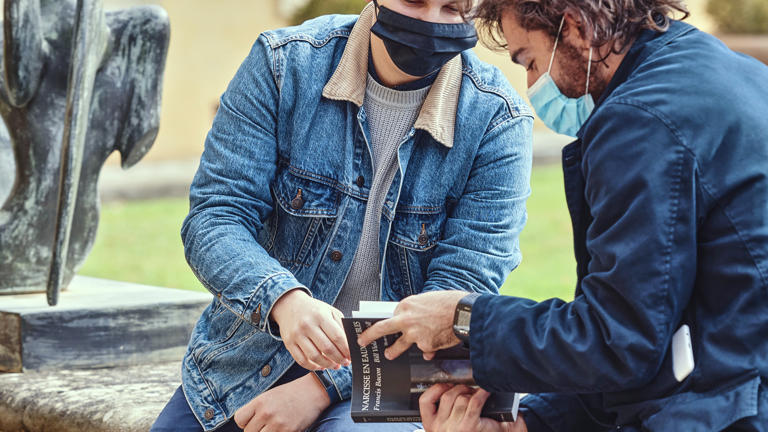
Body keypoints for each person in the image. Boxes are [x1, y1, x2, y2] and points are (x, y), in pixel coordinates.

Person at [358, 0, 768, 430]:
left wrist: (464, 319)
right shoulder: (720, 71)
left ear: (573, 27)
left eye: (530, 61)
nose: (534, 84)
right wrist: (533, 422)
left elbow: (617, 340)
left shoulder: (639, 122)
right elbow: (657, 328)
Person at [150, 0, 534, 430]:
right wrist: (284, 300)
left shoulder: (499, 121)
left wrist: (324, 385)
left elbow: (454, 299)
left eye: (451, 8)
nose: (429, 22)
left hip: (397, 375)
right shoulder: (283, 64)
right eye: (413, 1)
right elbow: (216, 216)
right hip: (250, 356)